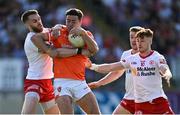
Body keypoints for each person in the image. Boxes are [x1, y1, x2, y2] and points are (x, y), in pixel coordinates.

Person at [31, 8, 100, 114]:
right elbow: (35, 38)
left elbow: (94, 50)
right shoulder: (59, 32)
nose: (70, 24)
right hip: (61, 83)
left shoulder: (85, 35)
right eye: (68, 21)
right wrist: (49, 50)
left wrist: (84, 34)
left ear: (80, 22)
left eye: (73, 21)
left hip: (80, 82)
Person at [89, 29, 174, 114]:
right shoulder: (129, 57)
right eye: (134, 38)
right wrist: (93, 67)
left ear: (149, 41)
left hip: (155, 100)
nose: (137, 42)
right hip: (135, 101)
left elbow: (164, 67)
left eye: (141, 40)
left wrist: (167, 73)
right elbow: (113, 68)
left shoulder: (156, 57)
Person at [21, 9, 79, 114]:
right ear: (27, 25)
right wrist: (78, 51)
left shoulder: (45, 31)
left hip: (49, 82)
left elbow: (56, 30)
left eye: (39, 19)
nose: (39, 22)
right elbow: (54, 53)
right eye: (34, 21)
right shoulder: (32, 39)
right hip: (34, 81)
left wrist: (57, 26)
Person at [88, 26, 144, 114]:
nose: (133, 40)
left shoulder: (149, 56)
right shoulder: (126, 54)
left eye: (136, 37)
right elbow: (117, 72)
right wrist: (99, 83)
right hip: (129, 98)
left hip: (145, 100)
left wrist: (93, 66)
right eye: (131, 37)